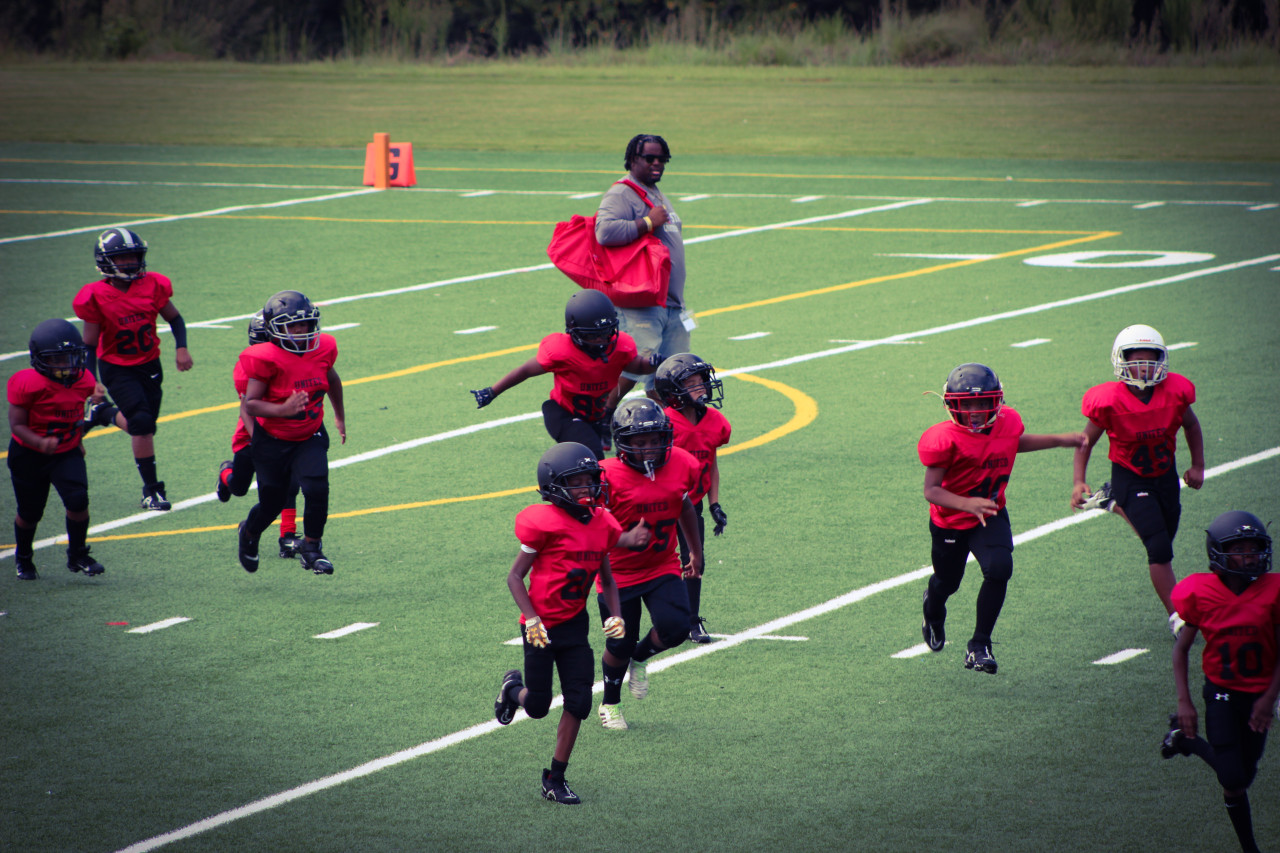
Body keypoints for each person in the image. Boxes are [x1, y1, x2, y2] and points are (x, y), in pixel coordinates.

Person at [918, 363, 1085, 674]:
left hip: (990, 511)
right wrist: (967, 504)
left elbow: (1012, 444)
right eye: (968, 404)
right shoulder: (943, 439)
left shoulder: (1008, 423)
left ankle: (979, 644)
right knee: (947, 583)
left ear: (997, 401)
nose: (976, 411)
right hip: (951, 520)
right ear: (952, 404)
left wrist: (1060, 440)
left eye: (983, 403)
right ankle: (933, 608)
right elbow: (931, 490)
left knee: (999, 567)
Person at [493, 442, 628, 805]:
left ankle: (555, 777)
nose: (588, 489)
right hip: (539, 627)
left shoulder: (604, 524)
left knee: (580, 701)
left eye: (590, 481)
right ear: (555, 487)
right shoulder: (543, 523)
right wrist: (532, 618)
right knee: (536, 706)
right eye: (578, 482)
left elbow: (609, 580)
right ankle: (511, 691)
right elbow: (514, 577)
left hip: (574, 625)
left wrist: (614, 613)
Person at [1071, 324, 1205, 637]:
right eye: (1137, 361)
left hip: (1165, 475)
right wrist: (1079, 480)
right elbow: (1084, 441)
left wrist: (1197, 465)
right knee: (1158, 548)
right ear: (1121, 361)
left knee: (1162, 538)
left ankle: (1111, 501)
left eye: (1150, 360)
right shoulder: (1108, 400)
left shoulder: (1175, 392)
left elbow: (1192, 426)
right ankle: (1178, 617)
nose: (1144, 368)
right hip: (1130, 476)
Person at [1162, 510, 1279, 853]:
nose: (1251, 556)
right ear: (1219, 554)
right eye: (1241, 549)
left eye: (1255, 548)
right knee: (1232, 780)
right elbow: (1181, 650)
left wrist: (1269, 697)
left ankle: (1186, 742)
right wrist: (1185, 701)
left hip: (1259, 693)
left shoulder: (1273, 592)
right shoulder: (1199, 592)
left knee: (1244, 775)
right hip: (1222, 692)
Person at [595, 398, 703, 730]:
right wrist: (621, 541)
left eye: (655, 440)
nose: (649, 449)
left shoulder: (682, 464)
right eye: (640, 442)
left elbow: (685, 507)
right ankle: (610, 703)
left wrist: (694, 552)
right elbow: (591, 526)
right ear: (623, 442)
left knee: (676, 628)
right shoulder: (606, 476)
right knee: (618, 642)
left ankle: (640, 658)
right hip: (617, 573)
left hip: (661, 565)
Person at [72, 227, 193, 511]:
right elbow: (89, 344)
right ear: (106, 262)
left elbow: (175, 319)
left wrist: (181, 347)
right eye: (123, 257)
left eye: (134, 256)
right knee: (141, 423)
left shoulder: (153, 285)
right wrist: (92, 381)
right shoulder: (95, 296)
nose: (131, 262)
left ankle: (104, 413)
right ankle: (152, 490)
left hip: (150, 363)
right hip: (117, 367)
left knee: (146, 426)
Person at [469, 290, 659, 460]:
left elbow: (637, 367)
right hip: (563, 413)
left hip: (595, 416)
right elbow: (525, 370)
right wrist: (492, 391)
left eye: (605, 332)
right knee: (595, 456)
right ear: (574, 332)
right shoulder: (561, 351)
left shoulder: (620, 347)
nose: (600, 340)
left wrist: (651, 363)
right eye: (592, 335)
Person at [236, 291, 345, 576]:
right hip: (272, 439)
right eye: (292, 325)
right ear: (274, 328)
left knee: (317, 487)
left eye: (305, 324)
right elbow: (251, 403)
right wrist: (284, 409)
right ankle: (249, 532)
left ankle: (311, 548)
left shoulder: (324, 348)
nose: (301, 331)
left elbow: (332, 379)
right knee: (272, 502)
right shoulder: (264, 358)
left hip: (309, 433)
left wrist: (339, 416)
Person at [7, 320, 109, 579]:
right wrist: (39, 442)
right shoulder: (27, 383)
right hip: (29, 454)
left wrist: (80, 440)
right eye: (58, 359)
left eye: (71, 357)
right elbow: (17, 425)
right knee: (30, 513)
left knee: (78, 500)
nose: (67, 365)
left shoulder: (83, 378)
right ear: (39, 358)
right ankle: (24, 557)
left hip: (66, 450)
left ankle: (77, 555)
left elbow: (77, 413)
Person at [595, 133, 690, 403]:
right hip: (642, 302)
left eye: (662, 159)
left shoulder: (655, 192)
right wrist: (647, 222)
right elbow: (604, 231)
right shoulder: (622, 192)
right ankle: (601, 415)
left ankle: (665, 432)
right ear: (633, 159)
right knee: (637, 364)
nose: (657, 163)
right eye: (649, 158)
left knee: (670, 373)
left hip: (671, 304)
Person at [655, 353, 732, 644]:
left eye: (701, 381)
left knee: (694, 561)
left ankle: (691, 620)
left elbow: (711, 460)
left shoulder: (715, 421)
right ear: (673, 392)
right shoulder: (664, 424)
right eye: (690, 382)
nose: (700, 387)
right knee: (654, 561)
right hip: (660, 504)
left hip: (692, 503)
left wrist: (714, 503)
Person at [215, 312, 302, 559]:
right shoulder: (249, 367)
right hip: (252, 437)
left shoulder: (292, 358)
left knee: (289, 483)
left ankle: (287, 535)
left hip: (282, 433)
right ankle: (225, 474)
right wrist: (261, 442)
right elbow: (247, 409)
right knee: (239, 488)